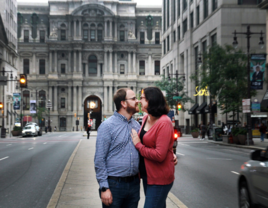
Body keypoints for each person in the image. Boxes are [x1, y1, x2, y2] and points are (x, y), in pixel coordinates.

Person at [94, 88, 177, 208]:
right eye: (133, 98)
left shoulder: (137, 125)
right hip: (114, 185)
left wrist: (170, 155)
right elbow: (99, 159)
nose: (137, 101)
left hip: (134, 184)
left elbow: (151, 146)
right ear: (123, 103)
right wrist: (104, 187)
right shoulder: (107, 126)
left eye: (140, 98)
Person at [131, 87, 175, 208]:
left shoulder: (164, 122)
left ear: (151, 100)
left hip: (159, 178)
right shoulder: (146, 118)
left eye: (142, 98)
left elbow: (160, 155)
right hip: (148, 176)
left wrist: (139, 145)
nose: (139, 101)